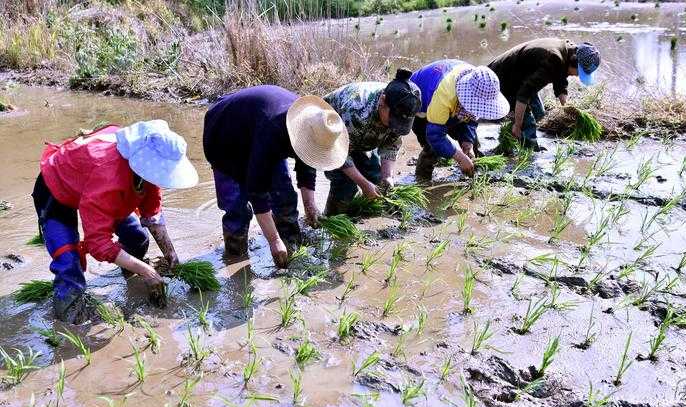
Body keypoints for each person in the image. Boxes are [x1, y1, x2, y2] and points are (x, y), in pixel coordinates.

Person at [33, 120, 199, 323]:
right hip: (57, 189)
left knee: (136, 237)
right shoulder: (108, 175)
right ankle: (69, 316)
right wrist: (145, 269)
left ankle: (130, 273)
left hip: (94, 185)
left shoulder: (146, 170)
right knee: (68, 262)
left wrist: (170, 253)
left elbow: (152, 214)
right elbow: (98, 244)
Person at [203, 85, 348, 267]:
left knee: (284, 195)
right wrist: (273, 240)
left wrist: (310, 205)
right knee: (236, 207)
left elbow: (307, 164)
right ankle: (236, 257)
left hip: (259, 127)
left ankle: (291, 246)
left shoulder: (312, 126)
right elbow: (257, 191)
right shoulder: (274, 131)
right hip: (225, 137)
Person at [321, 69, 422, 215]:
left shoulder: (402, 104)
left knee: (376, 177)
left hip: (358, 136)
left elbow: (391, 143)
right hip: (330, 134)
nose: (395, 125)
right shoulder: (356, 112)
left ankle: (364, 211)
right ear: (382, 102)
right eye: (394, 120)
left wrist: (388, 176)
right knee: (345, 184)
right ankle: (332, 219)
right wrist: (363, 184)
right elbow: (340, 155)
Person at [488, 38, 601, 150]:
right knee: (528, 123)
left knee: (539, 112)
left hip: (523, 78)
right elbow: (523, 95)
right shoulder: (553, 59)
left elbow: (560, 80)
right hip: (502, 78)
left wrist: (568, 107)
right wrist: (518, 124)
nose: (577, 76)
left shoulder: (567, 51)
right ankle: (529, 152)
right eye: (579, 72)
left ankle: (512, 136)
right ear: (574, 61)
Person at [409, 60, 509, 182]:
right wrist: (459, 157)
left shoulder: (479, 81)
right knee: (432, 147)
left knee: (472, 141)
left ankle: (472, 173)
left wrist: (468, 142)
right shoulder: (444, 94)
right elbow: (435, 135)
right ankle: (422, 180)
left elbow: (472, 118)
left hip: (450, 104)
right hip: (421, 107)